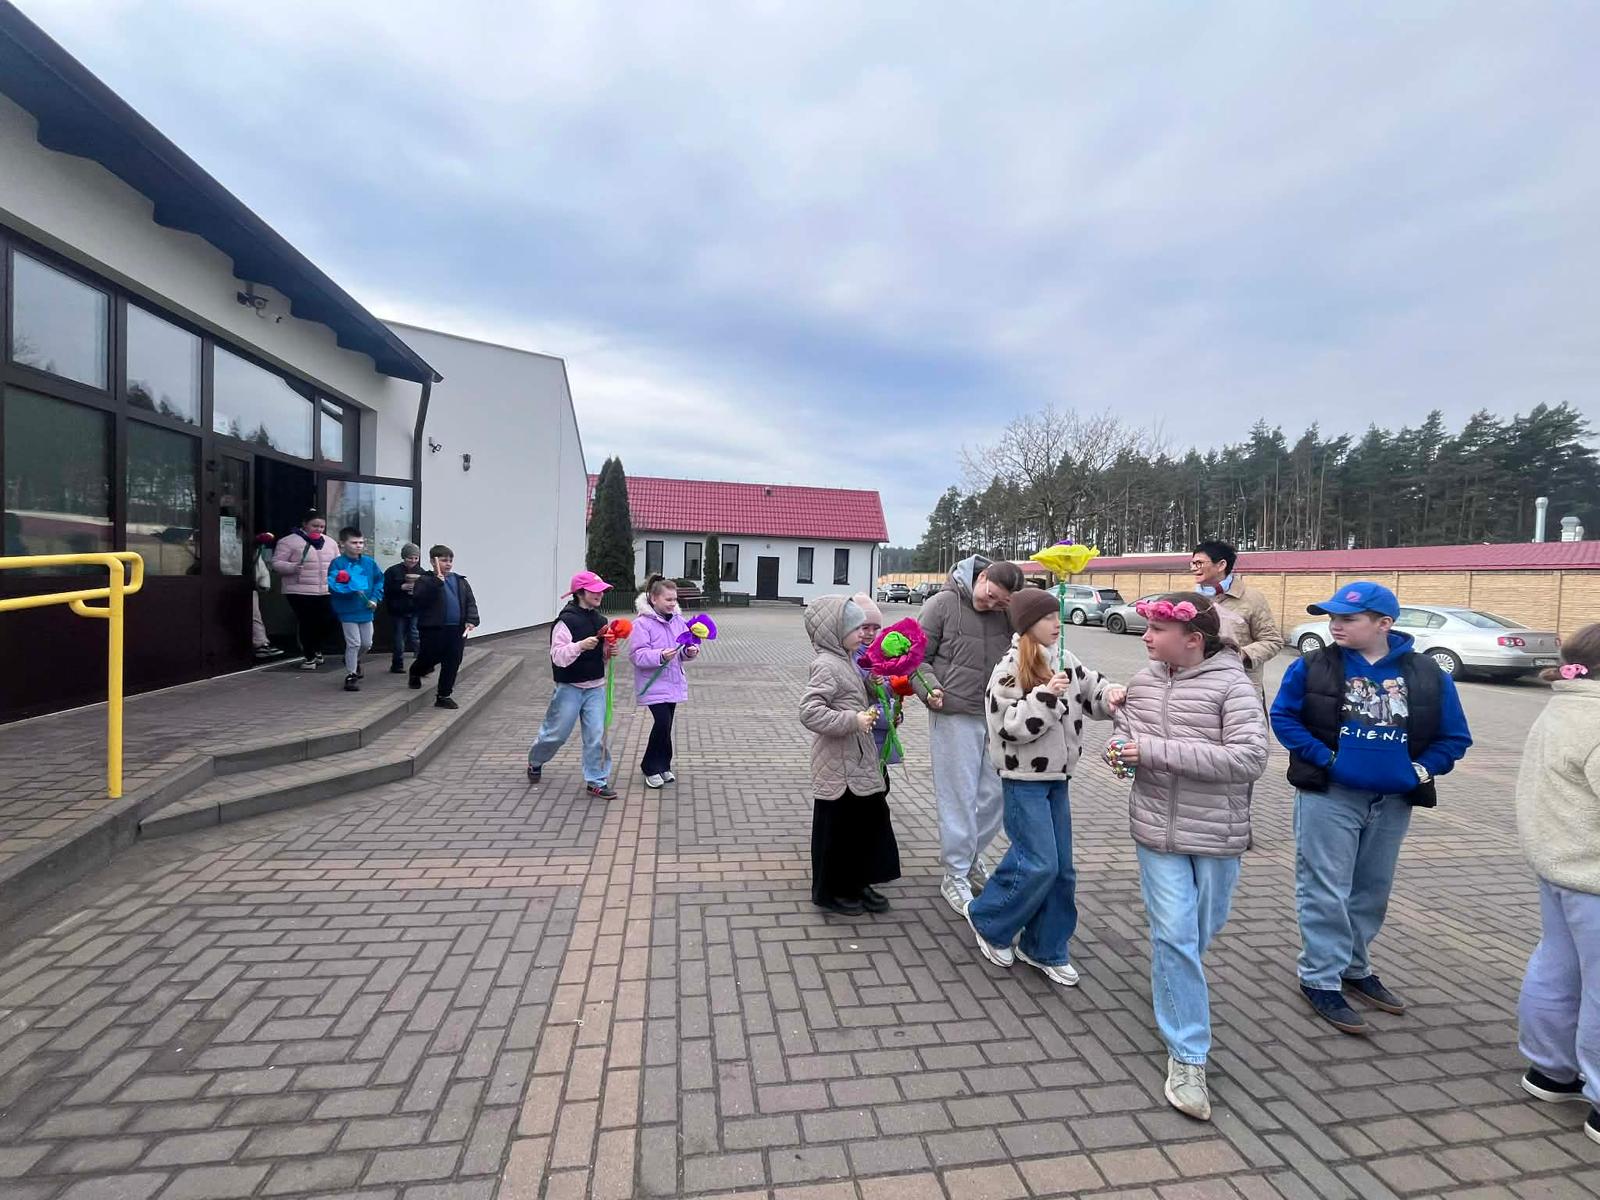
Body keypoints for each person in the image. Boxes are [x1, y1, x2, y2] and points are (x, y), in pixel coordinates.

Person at [1270, 581, 1472, 1035]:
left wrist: (1420, 770)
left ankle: (1355, 967)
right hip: (1329, 795)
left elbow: (1454, 736)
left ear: (1384, 623)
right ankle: (1320, 977)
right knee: (1325, 887)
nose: (1335, 625)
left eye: (1348, 618)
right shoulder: (1314, 666)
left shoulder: (1426, 673)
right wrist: (1327, 760)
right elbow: (1283, 717)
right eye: (1332, 617)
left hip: (1393, 800)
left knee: (1372, 888)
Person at [1114, 593, 1268, 1120]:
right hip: (1154, 832)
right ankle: (1188, 1056)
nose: (1146, 637)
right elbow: (1127, 741)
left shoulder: (1233, 685)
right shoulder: (1143, 681)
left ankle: (1173, 985)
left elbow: (1249, 758)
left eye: (1157, 630)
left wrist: (1153, 752)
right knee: (1175, 935)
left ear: (1194, 640)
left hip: (1217, 834)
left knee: (1198, 932)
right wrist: (1121, 753)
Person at [966, 586, 1123, 988]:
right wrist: (1045, 697)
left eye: (1057, 615)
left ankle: (1044, 946)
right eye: (1047, 617)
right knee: (1038, 862)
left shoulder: (1065, 658)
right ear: (1027, 624)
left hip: (1058, 779)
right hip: (1023, 781)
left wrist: (1111, 694)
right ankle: (989, 919)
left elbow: (1092, 689)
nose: (1057, 623)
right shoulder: (1009, 668)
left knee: (1062, 870)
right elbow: (1008, 726)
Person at [1514, 622, 1600, 1148]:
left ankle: (1551, 1070)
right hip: (1591, 873)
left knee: (1558, 968)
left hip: (1558, 866)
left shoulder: (1564, 705)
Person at [914, 555, 1026, 913]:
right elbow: (916, 657)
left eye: (1000, 603)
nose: (991, 604)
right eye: (991, 595)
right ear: (983, 576)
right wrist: (929, 689)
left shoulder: (1007, 612)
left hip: (998, 715)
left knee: (996, 795)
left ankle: (970, 856)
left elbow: (1027, 648)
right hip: (953, 713)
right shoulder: (941, 604)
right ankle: (955, 873)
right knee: (958, 796)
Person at [801, 595, 900, 914]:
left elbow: (852, 694)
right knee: (837, 830)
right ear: (835, 631)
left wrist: (873, 685)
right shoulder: (826, 665)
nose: (863, 633)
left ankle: (859, 881)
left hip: (857, 759)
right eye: (856, 628)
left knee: (865, 823)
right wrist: (852, 720)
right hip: (837, 763)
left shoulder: (846, 660)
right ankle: (831, 891)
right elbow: (809, 712)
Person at [527, 571, 618, 799]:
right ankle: (536, 760)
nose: (600, 595)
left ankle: (596, 780)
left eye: (602, 591)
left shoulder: (601, 621)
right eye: (594, 591)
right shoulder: (565, 621)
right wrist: (579, 646)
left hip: (595, 687)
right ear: (580, 592)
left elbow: (602, 657)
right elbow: (557, 656)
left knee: (596, 736)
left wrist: (608, 651)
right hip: (569, 687)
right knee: (556, 734)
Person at [629, 576, 702, 788]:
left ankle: (663, 765)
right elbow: (637, 655)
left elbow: (684, 649)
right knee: (662, 722)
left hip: (673, 682)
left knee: (667, 725)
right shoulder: (642, 624)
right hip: (653, 684)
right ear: (654, 598)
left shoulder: (678, 621)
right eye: (668, 599)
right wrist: (660, 655)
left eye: (674, 599)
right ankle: (650, 767)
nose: (672, 603)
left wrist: (690, 651)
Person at [1189, 540, 1284, 695]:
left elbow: (1273, 641)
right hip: (1199, 688)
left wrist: (1242, 654)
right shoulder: (1191, 600)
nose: (1193, 568)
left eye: (1199, 563)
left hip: (1240, 689)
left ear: (1221, 565)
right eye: (1192, 563)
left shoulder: (1252, 598)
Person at [409, 544, 479, 710]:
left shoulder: (460, 581)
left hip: (457, 629)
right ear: (433, 562)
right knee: (429, 657)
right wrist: (436, 583)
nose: (448, 564)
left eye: (450, 561)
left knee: (453, 660)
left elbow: (470, 602)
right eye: (443, 560)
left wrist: (472, 620)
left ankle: (443, 695)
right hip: (433, 628)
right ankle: (416, 671)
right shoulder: (425, 580)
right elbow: (419, 601)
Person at [271, 510, 339, 670]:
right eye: (315, 526)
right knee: (307, 622)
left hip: (325, 589)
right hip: (299, 590)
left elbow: (337, 563)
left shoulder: (330, 542)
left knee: (328, 620)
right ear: (304, 524)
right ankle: (309, 656)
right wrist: (292, 567)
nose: (319, 529)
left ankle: (317, 648)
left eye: (322, 526)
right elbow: (276, 563)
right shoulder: (288, 541)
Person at [328, 527, 385, 692]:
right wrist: (349, 589)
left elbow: (379, 581)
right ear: (342, 544)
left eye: (361, 542)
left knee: (367, 644)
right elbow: (333, 585)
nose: (358, 545)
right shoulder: (337, 563)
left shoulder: (369, 563)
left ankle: (352, 659)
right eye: (354, 542)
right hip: (347, 610)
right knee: (354, 643)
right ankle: (351, 674)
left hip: (366, 609)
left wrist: (374, 598)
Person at [851, 593, 903, 766]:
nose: (871, 633)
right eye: (865, 627)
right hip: (865, 733)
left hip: (883, 733)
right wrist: (888, 717)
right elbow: (862, 697)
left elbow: (889, 693)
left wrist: (897, 713)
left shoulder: (882, 654)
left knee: (881, 776)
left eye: (875, 628)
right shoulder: (851, 658)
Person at [384, 543, 425, 673]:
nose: (413, 561)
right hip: (398, 610)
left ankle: (423, 663)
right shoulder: (392, 571)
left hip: (415, 609)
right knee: (399, 638)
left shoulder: (421, 572)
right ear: (403, 557)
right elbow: (385, 589)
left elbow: (426, 590)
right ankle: (397, 664)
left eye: (416, 558)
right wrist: (400, 587)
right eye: (410, 558)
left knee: (416, 636)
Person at [251, 532, 284, 660]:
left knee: (254, 615)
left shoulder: (251, 546)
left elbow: (260, 567)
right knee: (254, 615)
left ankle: (261, 644)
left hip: (248, 584)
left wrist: (263, 583)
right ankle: (260, 643)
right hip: (232, 581)